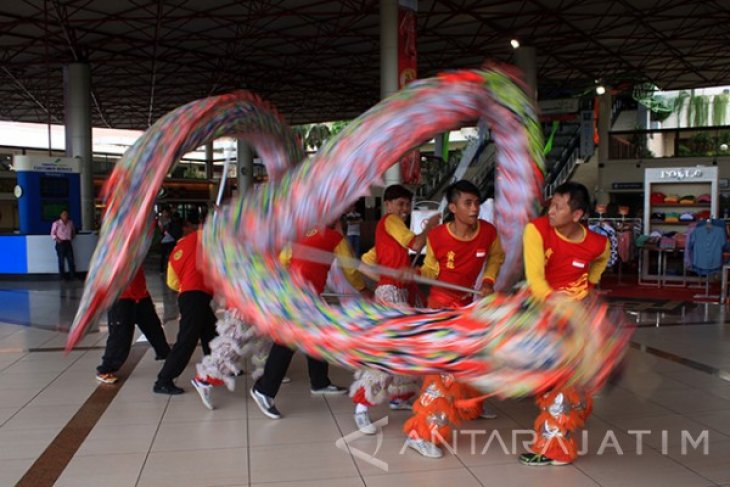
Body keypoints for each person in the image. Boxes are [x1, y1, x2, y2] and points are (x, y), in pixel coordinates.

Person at [402, 180, 505, 458]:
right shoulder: (437, 237)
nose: (474, 209)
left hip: (466, 304)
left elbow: (496, 257)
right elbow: (431, 270)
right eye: (468, 203)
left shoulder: (488, 232)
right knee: (443, 371)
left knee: (471, 358)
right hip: (441, 308)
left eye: (477, 203)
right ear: (453, 207)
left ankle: (468, 406)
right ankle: (421, 433)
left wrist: (488, 279)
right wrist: (418, 275)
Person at [518, 182, 610, 466]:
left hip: (575, 320)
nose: (552, 211)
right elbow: (536, 280)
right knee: (555, 381)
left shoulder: (598, 243)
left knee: (558, 382)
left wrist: (590, 286)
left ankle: (554, 448)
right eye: (551, 204)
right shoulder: (536, 230)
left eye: (559, 206)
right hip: (545, 313)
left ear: (577, 214)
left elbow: (600, 260)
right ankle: (567, 422)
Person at [244, 222, 371, 418]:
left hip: (294, 291)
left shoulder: (300, 234)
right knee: (287, 343)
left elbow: (283, 260)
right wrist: (364, 290)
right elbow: (351, 269)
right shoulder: (335, 238)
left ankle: (319, 381)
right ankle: (264, 390)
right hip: (303, 296)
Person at [350, 184, 439, 435]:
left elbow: (366, 262)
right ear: (387, 205)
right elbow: (416, 243)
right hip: (392, 295)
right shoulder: (391, 222)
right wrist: (431, 225)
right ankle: (361, 406)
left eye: (407, 205)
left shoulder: (386, 232)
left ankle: (399, 396)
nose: (404, 209)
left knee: (407, 348)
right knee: (388, 352)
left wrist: (386, 277)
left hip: (398, 293)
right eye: (400, 204)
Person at [154, 213, 217, 395]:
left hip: (189, 294)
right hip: (196, 296)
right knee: (187, 339)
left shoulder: (182, 245)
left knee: (210, 333)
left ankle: (216, 368)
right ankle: (163, 380)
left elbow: (172, 280)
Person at [96, 266, 171, 384]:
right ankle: (105, 369)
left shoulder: (133, 249)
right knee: (121, 335)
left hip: (140, 293)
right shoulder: (114, 251)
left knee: (153, 326)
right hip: (121, 297)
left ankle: (164, 353)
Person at [50, 209, 76, 280]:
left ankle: (72, 276)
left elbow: (73, 231)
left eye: (66, 214)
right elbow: (52, 233)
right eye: (64, 214)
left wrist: (72, 236)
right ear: (61, 215)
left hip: (68, 242)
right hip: (60, 243)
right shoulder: (56, 223)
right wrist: (57, 239)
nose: (65, 216)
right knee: (61, 260)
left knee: (71, 260)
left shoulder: (70, 222)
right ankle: (62, 277)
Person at [158, 208, 181, 274]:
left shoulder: (171, 220)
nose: (165, 214)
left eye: (166, 212)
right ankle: (162, 269)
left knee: (171, 255)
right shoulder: (161, 220)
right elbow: (162, 230)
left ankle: (170, 268)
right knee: (164, 255)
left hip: (171, 240)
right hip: (164, 240)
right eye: (164, 212)